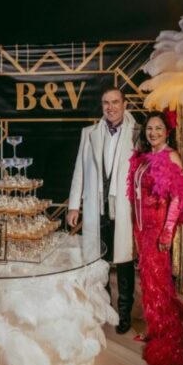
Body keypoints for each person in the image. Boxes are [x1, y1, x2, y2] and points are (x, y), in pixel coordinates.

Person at [127, 110, 183, 365]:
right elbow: (136, 196)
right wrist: (134, 230)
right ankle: (156, 330)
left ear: (167, 132)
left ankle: (170, 335)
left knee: (160, 284)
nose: (153, 133)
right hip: (141, 229)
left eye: (158, 129)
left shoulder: (170, 156)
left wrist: (167, 233)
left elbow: (178, 198)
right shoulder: (143, 158)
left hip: (157, 230)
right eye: (150, 129)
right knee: (149, 284)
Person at [67, 87, 138, 334]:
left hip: (125, 207)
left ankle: (126, 312)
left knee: (125, 260)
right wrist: (74, 205)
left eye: (115, 102)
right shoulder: (89, 133)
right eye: (106, 103)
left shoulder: (137, 133)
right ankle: (105, 308)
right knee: (99, 261)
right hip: (97, 207)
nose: (110, 107)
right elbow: (80, 171)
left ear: (124, 104)